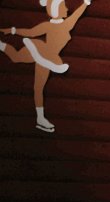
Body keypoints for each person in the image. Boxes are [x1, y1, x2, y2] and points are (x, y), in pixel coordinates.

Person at [0, 0, 92, 132]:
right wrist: (13, 30)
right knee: (16, 58)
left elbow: (77, 14)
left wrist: (85, 3)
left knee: (38, 87)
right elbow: (30, 32)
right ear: (57, 10)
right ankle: (42, 55)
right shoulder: (52, 25)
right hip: (46, 53)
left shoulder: (65, 24)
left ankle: (40, 118)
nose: (66, 8)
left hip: (46, 57)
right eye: (63, 6)